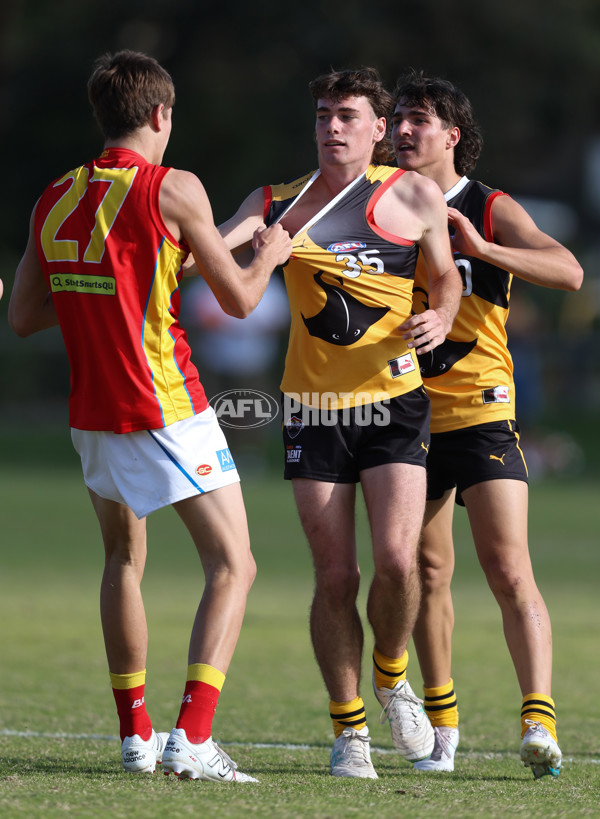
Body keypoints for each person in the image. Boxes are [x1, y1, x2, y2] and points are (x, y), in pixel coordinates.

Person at [8, 50, 291, 782]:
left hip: (92, 410)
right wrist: (271, 252)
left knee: (122, 561)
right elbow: (239, 302)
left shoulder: (57, 194)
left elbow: (24, 315)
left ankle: (137, 736)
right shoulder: (176, 186)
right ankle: (191, 738)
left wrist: (104, 300)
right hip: (163, 404)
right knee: (236, 563)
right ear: (162, 115)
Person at [217, 67, 463, 778]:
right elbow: (210, 251)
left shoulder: (412, 192)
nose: (332, 127)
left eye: (348, 115)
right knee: (335, 576)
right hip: (313, 409)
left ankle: (392, 675)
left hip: (395, 401)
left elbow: (444, 275)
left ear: (379, 130)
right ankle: (348, 728)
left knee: (396, 560)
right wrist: (243, 249)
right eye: (323, 114)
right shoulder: (277, 202)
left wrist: (442, 313)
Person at [391, 70, 583, 777]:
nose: (402, 130)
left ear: (453, 135)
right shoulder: (379, 202)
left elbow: (567, 272)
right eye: (398, 119)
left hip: (482, 411)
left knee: (507, 566)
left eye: (418, 119)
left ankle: (539, 718)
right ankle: (442, 728)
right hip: (404, 417)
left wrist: (482, 246)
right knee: (424, 569)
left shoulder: (488, 204)